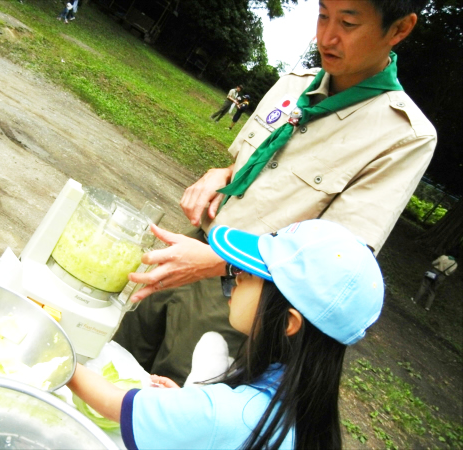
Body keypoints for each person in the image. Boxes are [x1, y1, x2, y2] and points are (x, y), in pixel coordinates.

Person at [113, 0, 436, 386]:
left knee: (170, 407)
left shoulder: (403, 136)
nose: (326, 36)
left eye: (348, 23)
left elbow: (331, 261)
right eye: (323, 15)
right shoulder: (297, 82)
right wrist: (223, 172)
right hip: (190, 251)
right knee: (114, 360)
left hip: (246, 299)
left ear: (399, 29)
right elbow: (255, 164)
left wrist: (218, 262)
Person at [69, 220, 384, 450]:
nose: (236, 273)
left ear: (288, 322)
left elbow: (115, 404)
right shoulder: (297, 406)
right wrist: (183, 405)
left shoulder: (231, 415)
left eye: (253, 274)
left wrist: (58, 353)